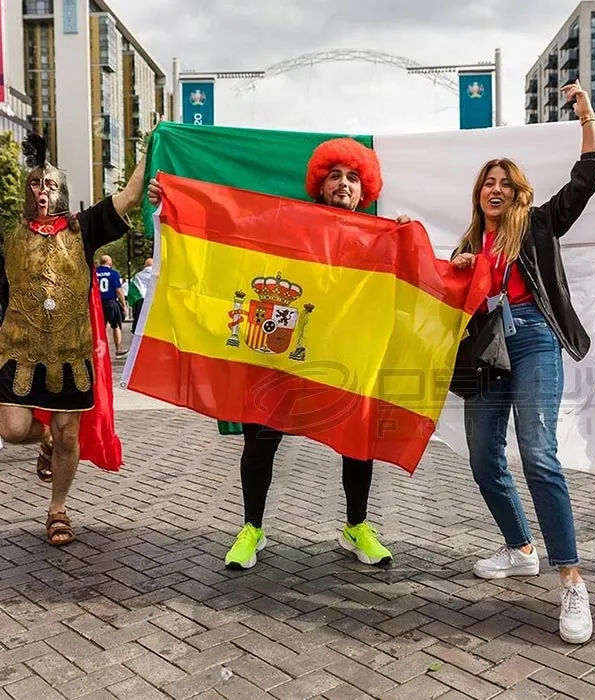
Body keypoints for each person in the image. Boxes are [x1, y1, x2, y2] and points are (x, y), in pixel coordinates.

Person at [148, 138, 408, 570]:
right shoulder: (290, 224)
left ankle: (356, 527)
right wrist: (171, 202)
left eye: (353, 178)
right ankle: (252, 528)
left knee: (357, 444)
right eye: (335, 176)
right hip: (285, 352)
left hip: (345, 358)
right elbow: (228, 228)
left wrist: (404, 237)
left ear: (366, 192)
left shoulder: (380, 238)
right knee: (261, 440)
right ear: (320, 186)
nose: (343, 184)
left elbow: (408, 283)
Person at [449, 79, 595, 645]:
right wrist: (452, 264)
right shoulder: (469, 245)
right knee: (482, 457)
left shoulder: (538, 225)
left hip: (535, 339)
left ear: (518, 191)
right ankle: (520, 549)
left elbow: (588, 177)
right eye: (487, 183)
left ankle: (571, 580)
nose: (494, 189)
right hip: (486, 353)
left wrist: (587, 117)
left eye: (503, 182)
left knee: (538, 455)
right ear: (479, 194)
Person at [0, 132, 146, 545]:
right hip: (18, 352)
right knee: (11, 429)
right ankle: (41, 436)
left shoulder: (83, 229)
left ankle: (57, 508)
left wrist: (152, 148)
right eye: (34, 183)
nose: (41, 190)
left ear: (61, 191)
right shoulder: (10, 239)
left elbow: (130, 196)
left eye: (49, 184)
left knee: (68, 432)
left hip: (70, 355)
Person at [95, 255, 127, 356]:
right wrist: (124, 304)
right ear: (110, 263)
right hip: (111, 302)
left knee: (100, 327)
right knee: (115, 325)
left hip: (98, 304)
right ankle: (118, 349)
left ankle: (101, 350)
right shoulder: (113, 274)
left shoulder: (95, 273)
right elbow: (118, 290)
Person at [128, 257, 153, 333]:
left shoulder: (137, 276)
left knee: (139, 326)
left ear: (145, 265)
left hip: (141, 302)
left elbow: (131, 292)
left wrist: (132, 304)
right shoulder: (159, 274)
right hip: (155, 301)